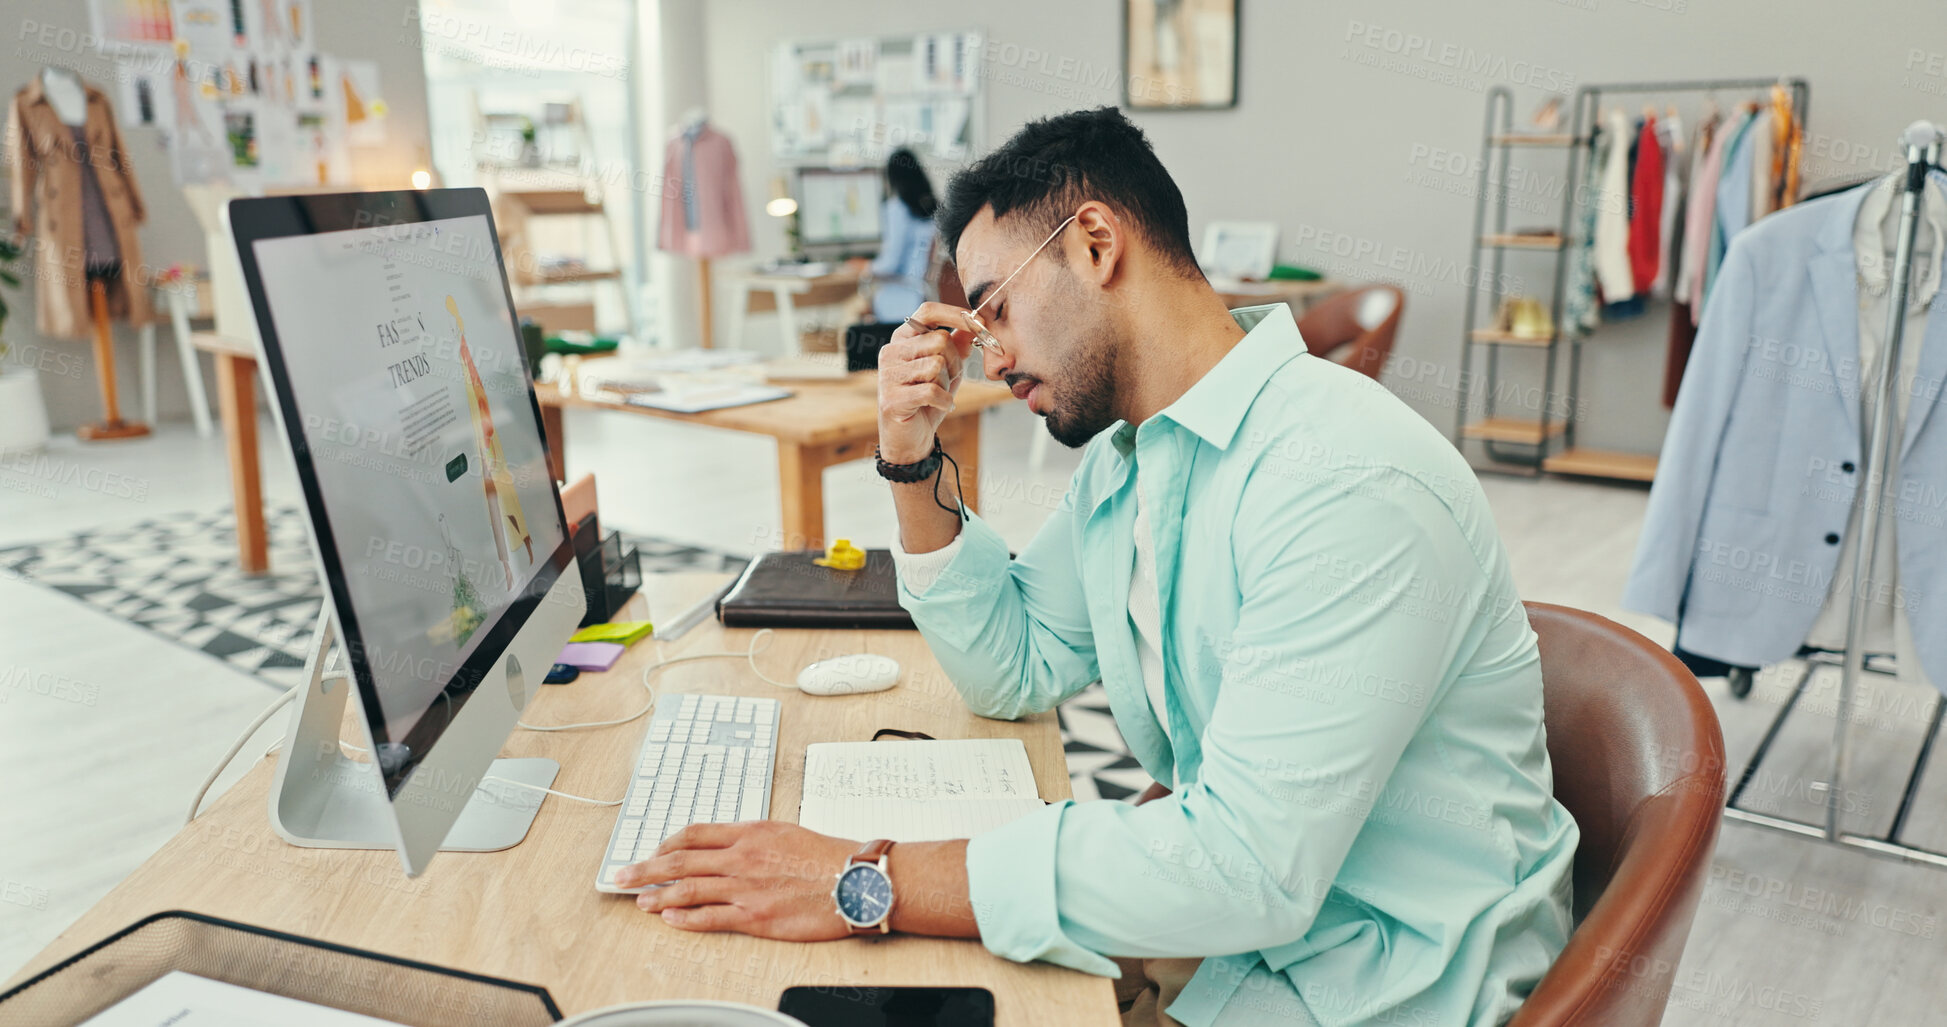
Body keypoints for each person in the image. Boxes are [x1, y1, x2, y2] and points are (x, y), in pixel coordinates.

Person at [617, 107, 1578, 1027]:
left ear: (1093, 244)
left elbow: (1246, 868)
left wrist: (860, 875)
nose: (988, 358)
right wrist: (910, 458)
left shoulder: (1344, 479)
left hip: (1375, 984)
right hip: (1240, 942)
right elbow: (1016, 667)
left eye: (992, 308)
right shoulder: (1137, 456)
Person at [848, 146, 940, 323]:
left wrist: (864, 266)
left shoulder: (897, 208)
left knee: (849, 311)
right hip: (922, 298)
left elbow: (890, 264)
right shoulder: (932, 209)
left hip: (898, 299)